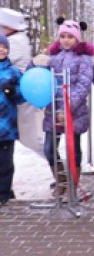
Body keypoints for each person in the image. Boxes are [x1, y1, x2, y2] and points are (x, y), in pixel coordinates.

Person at [43, 18, 94, 196]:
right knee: (49, 148)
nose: (66, 40)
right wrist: (35, 62)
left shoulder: (84, 59)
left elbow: (84, 83)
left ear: (77, 39)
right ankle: (61, 179)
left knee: (73, 147)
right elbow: (39, 76)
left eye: (70, 37)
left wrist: (69, 103)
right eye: (63, 36)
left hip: (74, 111)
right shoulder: (52, 57)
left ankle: (74, 181)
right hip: (53, 111)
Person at [0, 8, 43, 158]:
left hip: (20, 97)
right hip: (13, 96)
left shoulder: (15, 42)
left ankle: (61, 169)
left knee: (32, 139)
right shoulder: (15, 40)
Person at [0, 33, 25, 205]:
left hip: (6, 127)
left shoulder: (14, 72)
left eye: (4, 47)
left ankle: (4, 194)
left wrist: (13, 92)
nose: (1, 49)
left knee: (5, 163)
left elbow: (23, 96)